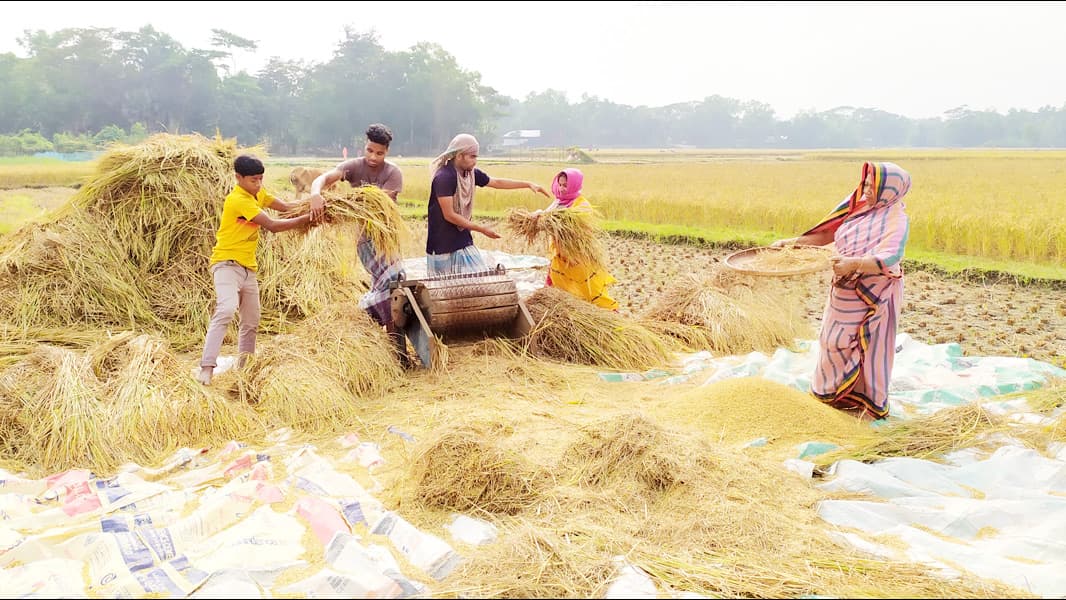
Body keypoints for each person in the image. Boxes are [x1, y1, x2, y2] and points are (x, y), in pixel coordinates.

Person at [772, 162, 912, 420]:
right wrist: (791, 245)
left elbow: (891, 256)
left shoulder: (896, 219)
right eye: (865, 184)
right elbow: (826, 235)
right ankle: (829, 394)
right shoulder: (856, 206)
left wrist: (854, 264)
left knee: (870, 347)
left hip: (874, 292)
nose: (866, 190)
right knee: (832, 340)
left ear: (889, 190)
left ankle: (865, 400)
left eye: (873, 187)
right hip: (844, 287)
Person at [196, 155, 314, 385]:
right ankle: (206, 368)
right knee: (226, 309)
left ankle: (245, 369)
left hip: (248, 268)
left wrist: (313, 206)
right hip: (226, 264)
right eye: (253, 180)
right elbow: (273, 225)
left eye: (260, 179)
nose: (258, 185)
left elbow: (286, 208)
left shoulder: (258, 193)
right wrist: (307, 218)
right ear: (238, 178)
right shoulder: (237, 200)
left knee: (251, 319)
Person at [308, 124, 405, 329]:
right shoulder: (354, 166)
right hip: (364, 238)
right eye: (370, 150)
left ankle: (367, 312)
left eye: (379, 153)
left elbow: (376, 202)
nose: (373, 157)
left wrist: (348, 202)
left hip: (386, 236)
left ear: (386, 152)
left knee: (393, 279)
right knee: (386, 281)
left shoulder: (393, 173)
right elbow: (323, 178)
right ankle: (379, 321)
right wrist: (316, 194)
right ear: (365, 146)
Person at [426, 133, 549, 276]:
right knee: (445, 289)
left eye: (476, 157)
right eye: (472, 156)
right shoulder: (444, 177)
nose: (475, 161)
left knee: (476, 281)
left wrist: (527, 184)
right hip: (442, 240)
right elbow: (449, 215)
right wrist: (482, 229)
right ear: (459, 156)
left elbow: (496, 182)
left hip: (462, 237)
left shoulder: (470, 173)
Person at [534, 168, 618, 310]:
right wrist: (536, 217)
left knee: (590, 290)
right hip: (560, 256)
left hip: (578, 258)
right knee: (554, 285)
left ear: (574, 185)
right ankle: (555, 312)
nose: (561, 188)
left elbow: (571, 221)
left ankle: (612, 315)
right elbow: (546, 217)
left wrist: (553, 218)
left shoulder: (582, 205)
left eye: (565, 185)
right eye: (559, 184)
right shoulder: (558, 202)